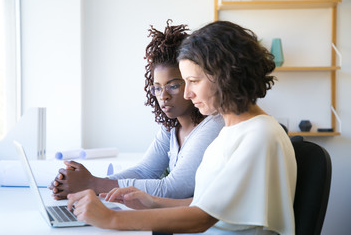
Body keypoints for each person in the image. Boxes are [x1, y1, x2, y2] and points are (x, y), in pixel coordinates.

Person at [66, 20, 297, 235]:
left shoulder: (259, 135)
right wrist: (152, 201)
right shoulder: (232, 131)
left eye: (193, 82)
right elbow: (206, 203)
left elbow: (202, 218)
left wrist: (110, 219)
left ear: (226, 75)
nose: (187, 93)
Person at [48, 20, 224, 200]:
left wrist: (93, 184)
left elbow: (174, 188)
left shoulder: (214, 123)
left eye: (172, 86)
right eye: (157, 87)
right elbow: (145, 170)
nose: (163, 96)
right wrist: (86, 185)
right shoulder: (171, 127)